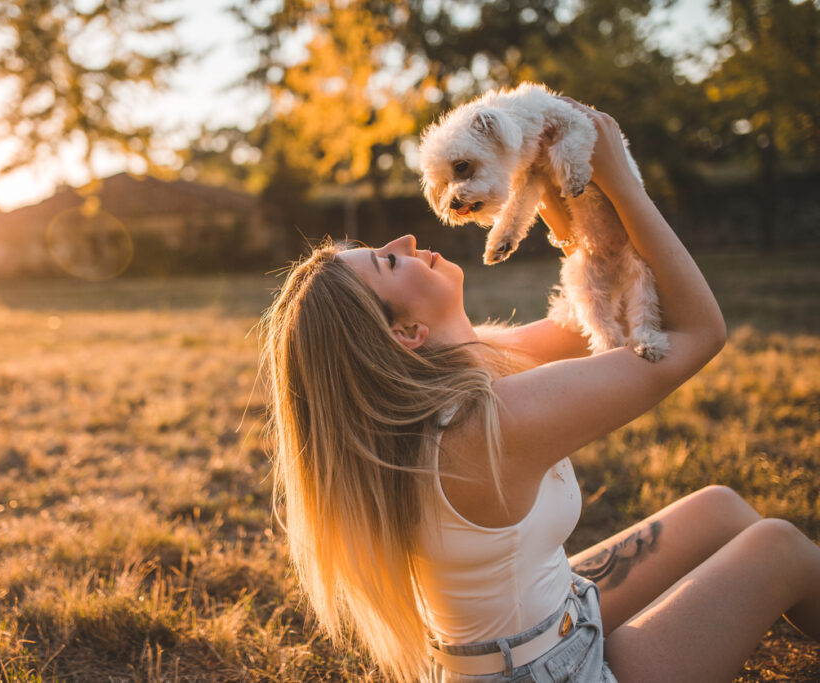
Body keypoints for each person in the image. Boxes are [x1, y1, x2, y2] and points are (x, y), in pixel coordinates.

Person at [260, 99, 820, 683]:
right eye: (389, 263)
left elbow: (596, 319)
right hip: (547, 670)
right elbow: (698, 333)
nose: (404, 239)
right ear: (406, 333)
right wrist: (625, 187)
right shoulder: (488, 424)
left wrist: (569, 211)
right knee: (778, 546)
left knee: (722, 509)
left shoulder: (461, 373)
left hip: (539, 628)